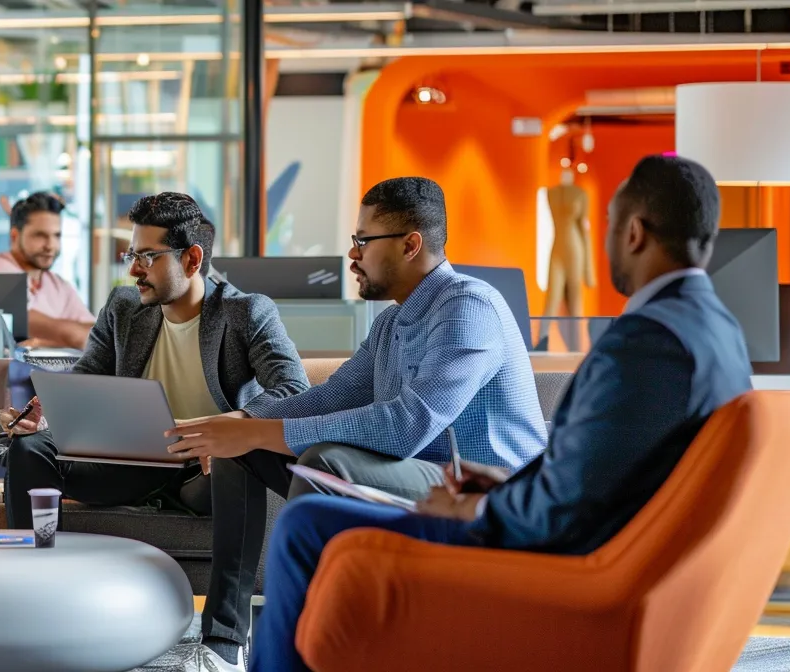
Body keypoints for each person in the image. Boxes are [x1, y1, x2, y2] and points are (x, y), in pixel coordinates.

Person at [230, 155, 751, 672]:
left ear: (633, 232)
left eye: (608, 225)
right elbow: (601, 473)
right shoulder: (714, 332)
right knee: (313, 504)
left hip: (553, 554)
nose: (604, 240)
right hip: (554, 523)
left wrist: (486, 509)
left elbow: (581, 502)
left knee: (306, 522)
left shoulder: (646, 343)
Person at [162, 177, 549, 670]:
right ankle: (224, 642)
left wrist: (255, 429)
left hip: (479, 486)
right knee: (245, 448)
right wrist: (237, 422)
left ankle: (297, 652)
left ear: (411, 244)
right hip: (412, 475)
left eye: (364, 240)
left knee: (328, 459)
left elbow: (408, 424)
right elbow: (329, 398)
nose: (351, 254)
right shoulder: (391, 322)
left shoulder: (468, 306)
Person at [0, 192, 309, 533]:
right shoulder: (123, 307)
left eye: (147, 257)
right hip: (131, 465)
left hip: (203, 470)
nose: (133, 269)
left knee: (233, 466)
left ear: (191, 260)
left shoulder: (246, 313)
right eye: (132, 254)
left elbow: (294, 388)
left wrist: (228, 427)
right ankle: (33, 564)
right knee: (28, 448)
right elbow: (86, 385)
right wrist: (51, 422)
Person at [0, 192, 96, 350]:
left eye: (56, 236)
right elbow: (24, 321)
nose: (50, 245)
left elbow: (98, 336)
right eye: (40, 235)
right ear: (14, 236)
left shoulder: (58, 285)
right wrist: (71, 336)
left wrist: (44, 342)